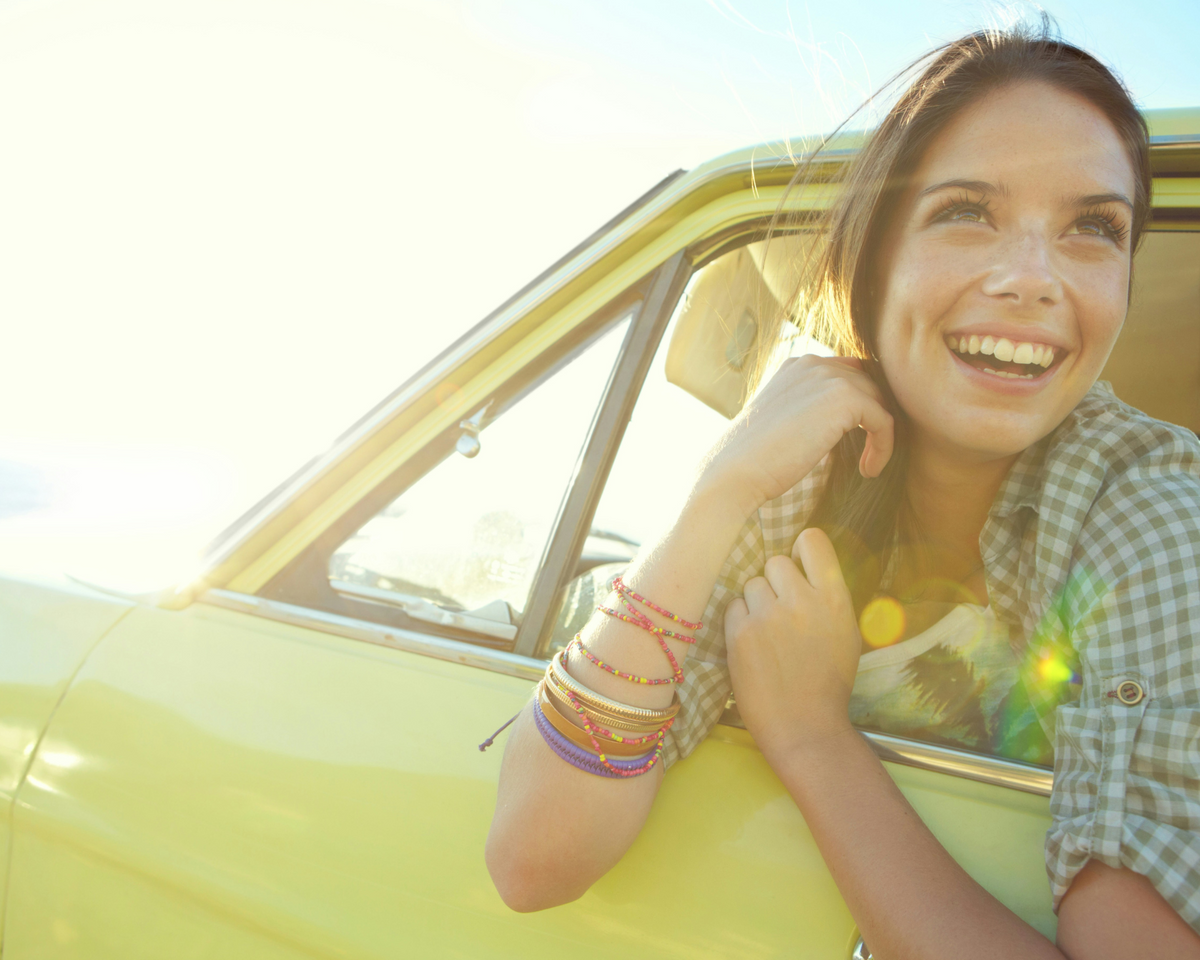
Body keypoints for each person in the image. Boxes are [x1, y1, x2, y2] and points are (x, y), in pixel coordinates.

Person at [486, 19, 1200, 956]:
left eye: (1093, 230)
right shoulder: (795, 482)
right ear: (877, 253)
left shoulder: (1150, 503)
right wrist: (721, 489)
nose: (1031, 279)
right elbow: (535, 860)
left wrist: (815, 740)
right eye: (966, 212)